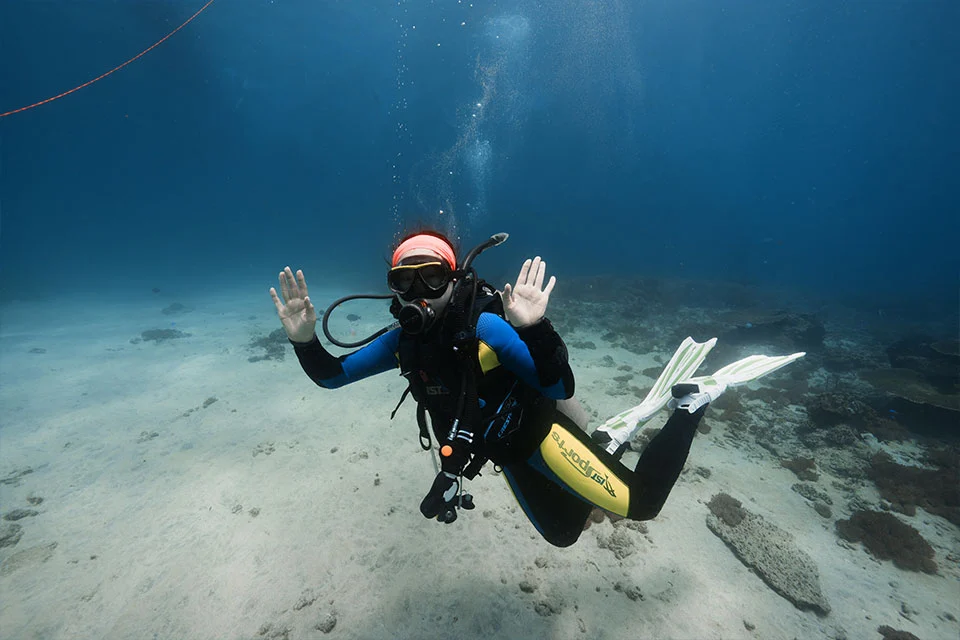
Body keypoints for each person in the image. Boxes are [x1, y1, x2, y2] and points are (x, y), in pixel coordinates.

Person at [270, 230, 804, 547]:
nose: (420, 295)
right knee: (564, 534)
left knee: (638, 505)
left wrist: (534, 327)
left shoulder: (484, 327)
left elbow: (557, 382)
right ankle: (606, 440)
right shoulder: (400, 345)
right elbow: (331, 375)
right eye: (404, 282)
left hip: (540, 437)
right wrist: (303, 340)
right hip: (505, 454)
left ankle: (690, 404)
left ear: (454, 279)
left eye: (432, 278)